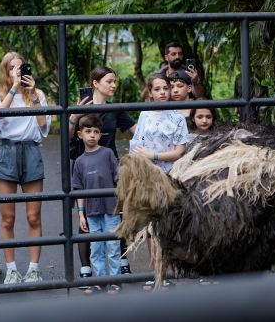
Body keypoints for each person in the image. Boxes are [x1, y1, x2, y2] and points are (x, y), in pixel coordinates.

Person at [67, 65, 137, 278]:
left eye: (115, 81)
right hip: (86, 166)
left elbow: (137, 130)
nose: (113, 85)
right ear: (95, 83)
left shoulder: (115, 109)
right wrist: (73, 116)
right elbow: (67, 138)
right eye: (109, 81)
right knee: (87, 216)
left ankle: (121, 261)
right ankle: (86, 266)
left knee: (117, 215)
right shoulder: (81, 108)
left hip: (110, 167)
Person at [0, 52, 51, 284]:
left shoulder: (38, 95)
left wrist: (33, 94)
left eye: (21, 66)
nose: (17, 71)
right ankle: (11, 269)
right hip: (7, 151)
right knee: (7, 218)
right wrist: (15, 88)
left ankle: (34, 268)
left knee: (33, 216)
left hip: (30, 150)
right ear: (5, 72)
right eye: (12, 67)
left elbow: (44, 126)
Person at [130, 73, 189, 290]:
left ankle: (167, 272)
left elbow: (180, 151)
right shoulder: (145, 114)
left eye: (165, 88)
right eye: (157, 89)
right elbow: (136, 145)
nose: (163, 92)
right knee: (150, 225)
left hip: (170, 175)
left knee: (167, 224)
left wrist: (153, 155)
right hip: (147, 175)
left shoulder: (177, 118)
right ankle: (155, 272)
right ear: (150, 92)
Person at [72, 115, 121, 294]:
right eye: (88, 131)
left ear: (100, 134)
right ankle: (100, 281)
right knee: (96, 248)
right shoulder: (79, 161)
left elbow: (118, 179)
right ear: (80, 134)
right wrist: (81, 214)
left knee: (113, 246)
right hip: (92, 212)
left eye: (96, 131)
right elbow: (78, 190)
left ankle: (115, 281)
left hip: (111, 208)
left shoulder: (107, 154)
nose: (92, 135)